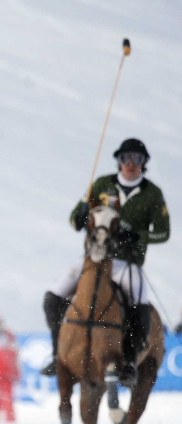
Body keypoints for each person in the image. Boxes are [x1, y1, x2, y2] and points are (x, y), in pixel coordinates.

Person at [41, 138, 170, 386]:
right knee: (52, 297)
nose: (130, 164)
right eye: (125, 159)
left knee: (140, 305)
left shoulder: (152, 193)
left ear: (144, 164)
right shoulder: (101, 184)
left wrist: (138, 236)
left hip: (126, 263)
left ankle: (130, 361)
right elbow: (74, 218)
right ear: (118, 161)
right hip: (94, 260)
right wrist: (79, 218)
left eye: (137, 159)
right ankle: (58, 353)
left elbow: (163, 233)